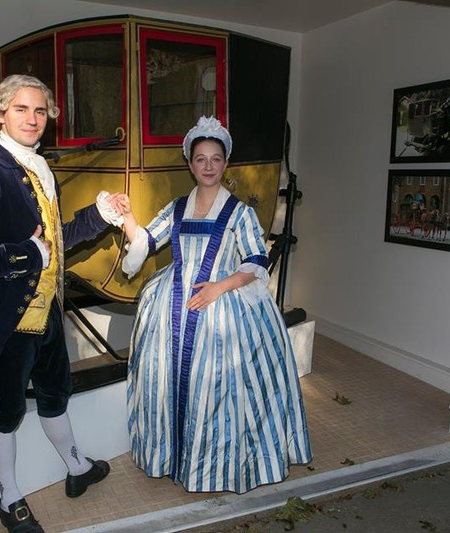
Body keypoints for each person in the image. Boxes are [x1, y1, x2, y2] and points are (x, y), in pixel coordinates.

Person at [0, 75, 122, 533]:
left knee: (57, 397)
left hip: (48, 317)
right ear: (0, 114)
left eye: (40, 111)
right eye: (20, 109)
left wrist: (100, 216)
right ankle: (9, 499)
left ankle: (77, 468)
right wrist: (21, 255)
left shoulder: (38, 167)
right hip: (6, 321)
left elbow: (54, 242)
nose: (32, 119)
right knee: (6, 414)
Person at [117, 116, 312, 494]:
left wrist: (219, 287)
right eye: (201, 159)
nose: (208, 166)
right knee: (166, 380)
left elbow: (256, 262)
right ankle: (171, 455)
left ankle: (215, 465)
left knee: (221, 389)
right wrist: (125, 215)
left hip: (221, 304)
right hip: (171, 305)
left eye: (216, 159)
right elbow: (145, 242)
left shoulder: (238, 212)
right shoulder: (175, 209)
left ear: (226, 163)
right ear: (190, 164)